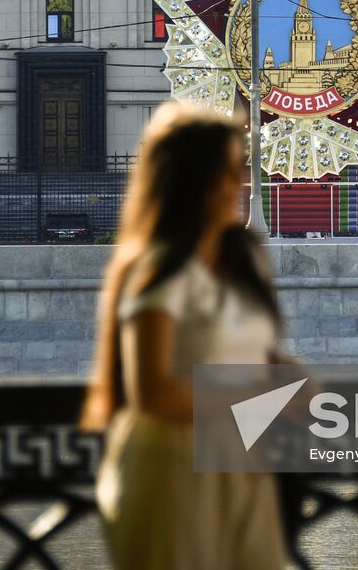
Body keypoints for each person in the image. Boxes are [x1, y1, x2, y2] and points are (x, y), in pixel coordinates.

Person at [81, 102, 289, 570]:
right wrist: (256, 397)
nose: (240, 184)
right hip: (171, 473)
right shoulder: (160, 271)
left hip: (240, 467)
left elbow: (259, 353)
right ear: (193, 182)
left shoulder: (243, 259)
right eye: (229, 171)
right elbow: (153, 394)